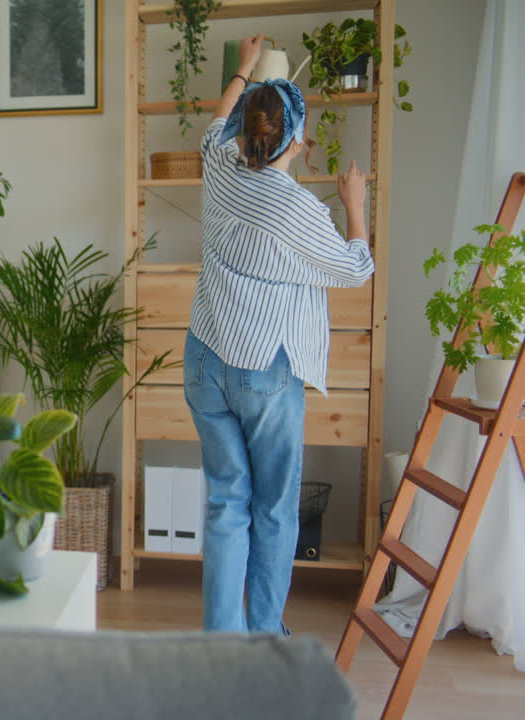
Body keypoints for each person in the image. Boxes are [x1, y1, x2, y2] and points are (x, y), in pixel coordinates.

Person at [183, 34, 375, 633]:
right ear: (295, 139)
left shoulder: (217, 163)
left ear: (247, 130)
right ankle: (263, 635)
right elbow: (355, 269)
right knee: (272, 509)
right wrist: (354, 204)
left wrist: (242, 69)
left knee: (225, 502)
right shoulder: (298, 210)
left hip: (205, 359)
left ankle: (222, 644)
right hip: (264, 372)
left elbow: (215, 124)